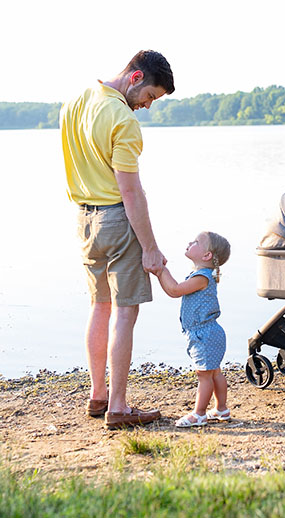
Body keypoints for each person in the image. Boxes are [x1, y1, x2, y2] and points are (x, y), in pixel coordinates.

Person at [60, 50, 175, 428]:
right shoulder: (122, 119)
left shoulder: (75, 104)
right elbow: (131, 193)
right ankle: (119, 407)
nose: (148, 106)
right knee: (125, 311)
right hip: (116, 218)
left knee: (100, 306)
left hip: (84, 220)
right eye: (151, 97)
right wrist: (152, 248)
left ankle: (98, 395)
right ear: (137, 77)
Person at [156, 231, 231, 427]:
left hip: (204, 333)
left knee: (204, 375)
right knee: (214, 372)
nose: (190, 242)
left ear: (206, 256)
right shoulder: (204, 275)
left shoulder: (201, 278)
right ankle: (221, 409)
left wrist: (161, 271)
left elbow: (174, 290)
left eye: (196, 242)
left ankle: (199, 414)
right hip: (210, 331)